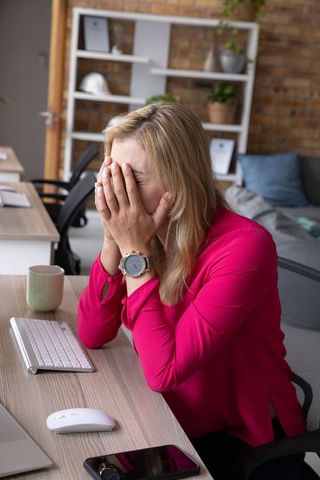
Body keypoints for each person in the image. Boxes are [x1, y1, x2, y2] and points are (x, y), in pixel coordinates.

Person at [78, 103, 305, 479]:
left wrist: (134, 253)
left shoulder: (245, 247)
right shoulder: (154, 235)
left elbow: (163, 372)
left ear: (178, 184)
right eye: (112, 173)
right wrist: (111, 239)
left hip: (242, 439)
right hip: (169, 412)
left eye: (132, 176)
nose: (114, 189)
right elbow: (92, 332)